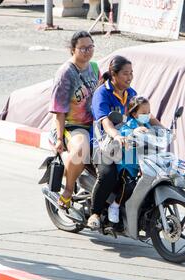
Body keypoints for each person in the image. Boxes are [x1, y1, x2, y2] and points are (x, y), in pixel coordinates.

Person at [88, 56, 163, 229]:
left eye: (131, 73)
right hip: (103, 145)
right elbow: (105, 120)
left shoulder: (131, 93)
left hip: (127, 145)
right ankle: (95, 213)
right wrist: (116, 135)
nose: (129, 77)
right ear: (113, 74)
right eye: (125, 74)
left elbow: (145, 114)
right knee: (108, 175)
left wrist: (163, 129)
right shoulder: (102, 93)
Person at [48, 30, 100, 210]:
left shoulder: (94, 67)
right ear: (73, 50)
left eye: (90, 47)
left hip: (94, 125)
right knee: (81, 149)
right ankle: (68, 191)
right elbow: (59, 110)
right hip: (72, 126)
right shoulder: (65, 73)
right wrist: (60, 139)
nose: (88, 51)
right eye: (83, 48)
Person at [107, 95, 152, 224]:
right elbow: (124, 135)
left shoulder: (147, 124)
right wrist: (134, 132)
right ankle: (114, 206)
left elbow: (155, 135)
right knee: (129, 186)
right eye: (144, 112)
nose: (147, 115)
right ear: (134, 113)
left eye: (148, 112)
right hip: (127, 165)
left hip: (142, 165)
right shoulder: (128, 125)